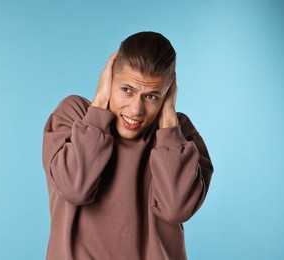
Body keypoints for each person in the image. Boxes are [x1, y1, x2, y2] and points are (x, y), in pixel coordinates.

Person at [42, 31, 214, 260]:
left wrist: (170, 126)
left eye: (152, 96)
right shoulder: (74, 116)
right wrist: (99, 105)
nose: (136, 110)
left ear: (168, 95)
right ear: (109, 79)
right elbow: (76, 188)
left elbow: (176, 209)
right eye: (127, 90)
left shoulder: (179, 135)